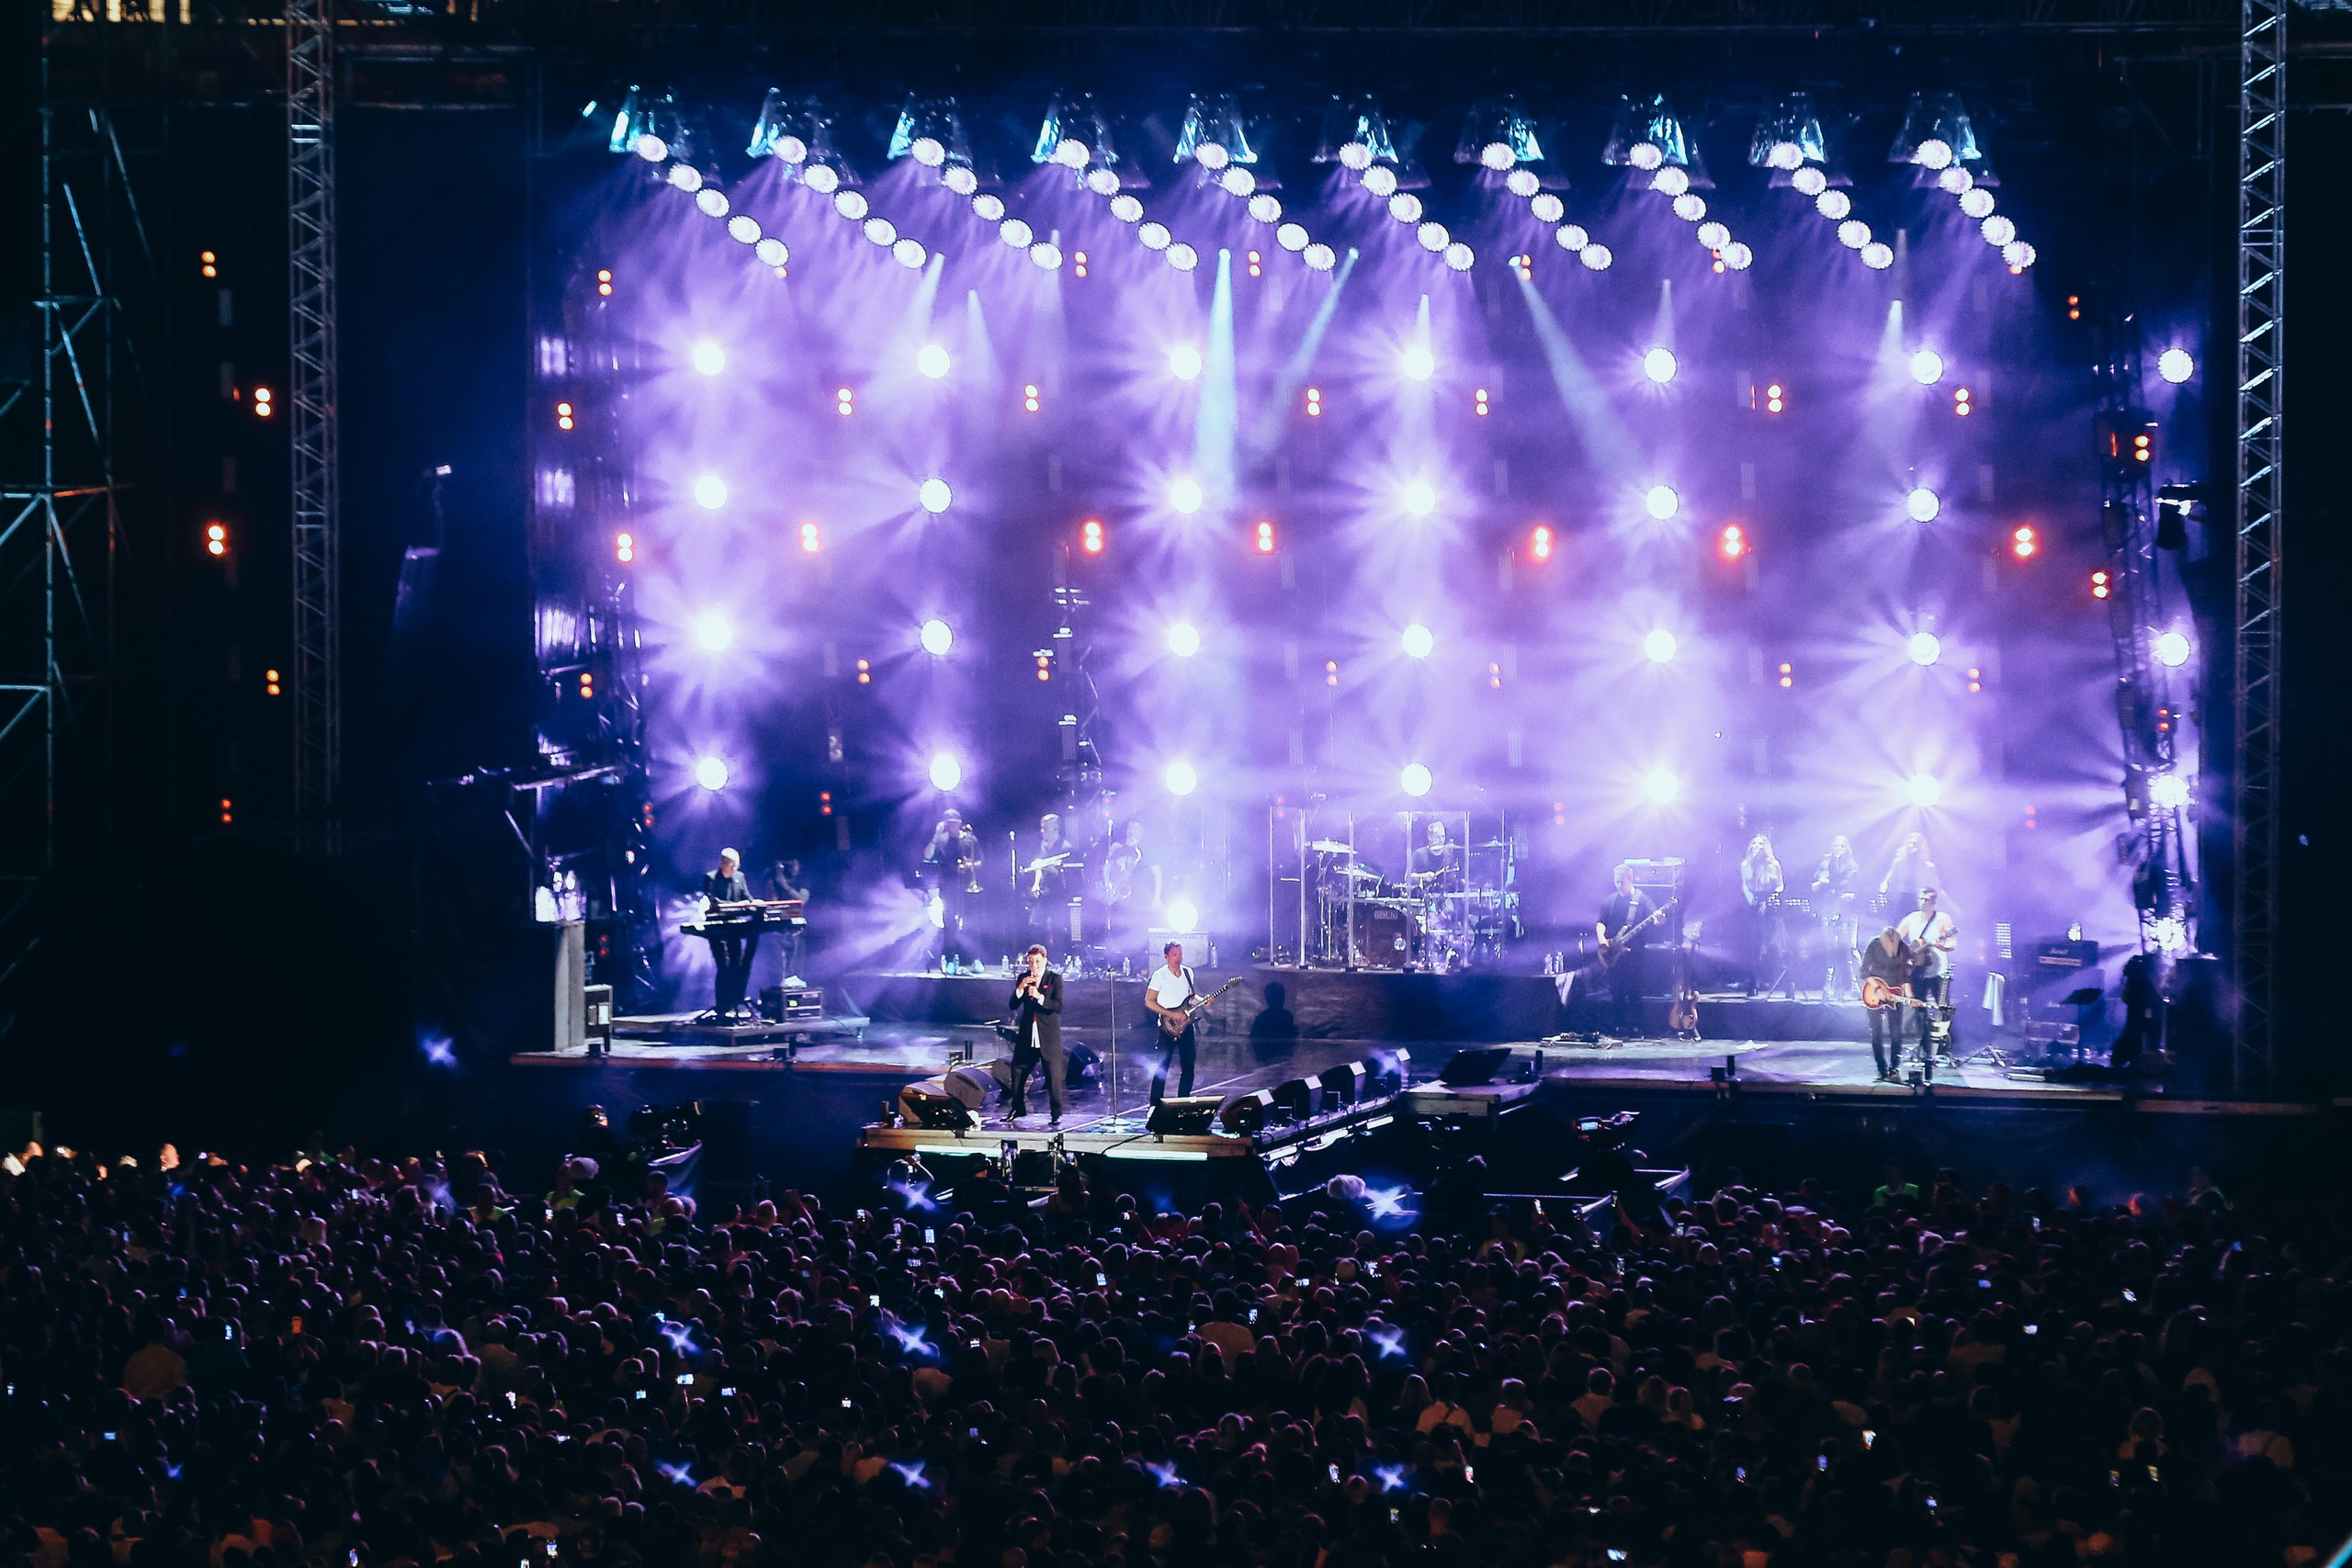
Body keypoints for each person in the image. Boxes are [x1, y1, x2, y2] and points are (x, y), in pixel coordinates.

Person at [1895, 887, 1959, 1068]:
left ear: (1934, 901)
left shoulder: (1942, 918)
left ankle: (1942, 1048)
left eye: (1927, 899)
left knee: (1943, 1008)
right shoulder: (1911, 918)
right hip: (1917, 970)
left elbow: (1952, 943)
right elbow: (1897, 939)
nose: (1923, 902)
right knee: (1918, 1007)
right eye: (1921, 898)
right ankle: (1924, 1046)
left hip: (1938, 971)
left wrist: (1942, 946)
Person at [1003, 943, 1066, 1125]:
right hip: (1028, 1034)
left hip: (1048, 1036)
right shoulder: (1024, 977)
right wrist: (1021, 988)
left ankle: (1056, 1113)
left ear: (1045, 961)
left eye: (1037, 961)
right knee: (1017, 1069)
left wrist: (1040, 997)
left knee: (1053, 1075)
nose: (1034, 965)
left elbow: (1058, 1006)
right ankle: (1017, 1108)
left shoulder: (1054, 979)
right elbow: (1013, 1004)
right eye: (1031, 962)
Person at [1596, 863, 1657, 1040]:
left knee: (1634, 990)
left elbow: (1657, 918)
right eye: (1616, 881)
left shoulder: (1642, 899)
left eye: (1621, 881)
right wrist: (1602, 940)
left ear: (1630, 879)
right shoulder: (1611, 900)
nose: (1618, 885)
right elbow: (1601, 923)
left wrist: (1660, 918)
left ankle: (1637, 1027)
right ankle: (1618, 1026)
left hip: (1635, 954)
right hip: (1613, 952)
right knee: (1616, 991)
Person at [921, 810, 982, 965]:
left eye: (954, 823)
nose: (952, 826)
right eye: (949, 823)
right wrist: (935, 835)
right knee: (949, 922)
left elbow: (980, 861)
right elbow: (927, 856)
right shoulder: (941, 840)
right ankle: (949, 958)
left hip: (967, 885)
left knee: (970, 921)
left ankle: (974, 958)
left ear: (960, 823)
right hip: (948, 886)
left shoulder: (970, 839)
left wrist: (970, 865)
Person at [701, 849, 755, 1019]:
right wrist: (738, 905)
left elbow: (747, 897)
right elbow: (713, 901)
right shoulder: (710, 878)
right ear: (723, 863)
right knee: (723, 966)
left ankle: (734, 1002)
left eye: (735, 866)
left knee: (737, 965)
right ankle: (722, 1005)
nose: (733, 869)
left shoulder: (740, 877)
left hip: (734, 929)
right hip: (717, 929)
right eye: (731, 865)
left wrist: (754, 904)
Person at [1144, 940, 1199, 1101]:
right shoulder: (1159, 975)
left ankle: (1183, 1101)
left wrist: (1205, 1000)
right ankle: (1155, 1104)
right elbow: (1149, 1002)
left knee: (1188, 1067)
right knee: (1162, 1068)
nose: (1178, 958)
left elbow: (1191, 998)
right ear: (1166, 956)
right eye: (1175, 954)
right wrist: (1172, 1015)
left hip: (1186, 1027)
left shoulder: (1188, 972)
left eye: (1180, 954)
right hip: (1167, 1028)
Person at [1811, 835, 1863, 999]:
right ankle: (1830, 987)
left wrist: (1851, 895)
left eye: (1841, 846)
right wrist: (1821, 883)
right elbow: (1814, 886)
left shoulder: (1853, 866)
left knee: (1850, 947)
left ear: (1847, 848)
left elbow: (1858, 890)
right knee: (1830, 948)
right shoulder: (1825, 865)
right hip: (1829, 909)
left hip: (1848, 911)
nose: (1838, 849)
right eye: (1835, 846)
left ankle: (1857, 985)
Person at [1858, 924, 1913, 1080]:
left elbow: (1905, 977)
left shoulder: (1903, 949)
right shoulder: (1874, 944)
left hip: (1895, 994)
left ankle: (1894, 1068)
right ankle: (1881, 1069)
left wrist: (1910, 996)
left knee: (1896, 1033)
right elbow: (1864, 971)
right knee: (1876, 1033)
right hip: (1875, 991)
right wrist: (1878, 988)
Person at [1739, 835, 1786, 996]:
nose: (1756, 846)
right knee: (1754, 944)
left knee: (1772, 943)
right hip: (1753, 902)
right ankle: (1754, 983)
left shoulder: (1773, 865)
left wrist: (1770, 899)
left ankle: (1780, 982)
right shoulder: (1746, 865)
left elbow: (1780, 886)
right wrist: (1750, 896)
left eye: (1760, 844)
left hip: (1769, 904)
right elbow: (1745, 884)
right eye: (1754, 843)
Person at [1024, 812, 1074, 942]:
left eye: (1045, 828)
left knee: (1059, 930)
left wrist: (1046, 865)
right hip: (1044, 892)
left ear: (1055, 829)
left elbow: (1063, 874)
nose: (1042, 831)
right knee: (1035, 925)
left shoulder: (1066, 847)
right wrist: (1036, 884)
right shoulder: (1044, 845)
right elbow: (1040, 868)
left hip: (1059, 894)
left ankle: (1059, 960)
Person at [766, 857, 810, 979]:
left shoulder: (802, 881)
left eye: (794, 864)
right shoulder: (774, 882)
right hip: (778, 928)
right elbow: (771, 903)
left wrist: (784, 885)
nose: (791, 867)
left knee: (796, 963)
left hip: (796, 928)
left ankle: (796, 983)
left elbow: (802, 900)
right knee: (779, 964)